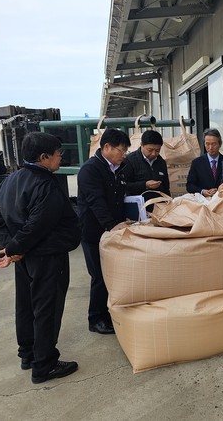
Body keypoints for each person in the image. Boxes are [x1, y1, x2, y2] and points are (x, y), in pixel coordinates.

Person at [0, 132, 81, 384]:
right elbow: (38, 224)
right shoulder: (46, 184)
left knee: (26, 305)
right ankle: (44, 364)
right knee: (47, 308)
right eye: (57, 154)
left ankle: (28, 353)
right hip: (47, 256)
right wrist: (15, 248)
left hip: (26, 257)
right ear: (44, 157)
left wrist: (14, 248)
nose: (60, 158)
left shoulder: (10, 181)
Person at [77, 128, 131, 335]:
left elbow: (118, 198)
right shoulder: (91, 170)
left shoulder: (118, 168)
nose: (123, 154)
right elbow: (96, 202)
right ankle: (95, 318)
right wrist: (112, 225)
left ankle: (107, 313)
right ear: (106, 147)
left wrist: (122, 219)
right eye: (121, 150)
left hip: (112, 231)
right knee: (98, 276)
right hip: (94, 232)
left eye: (125, 151)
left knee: (111, 275)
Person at [122, 129, 170, 202]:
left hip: (159, 206)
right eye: (150, 150)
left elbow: (166, 187)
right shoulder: (129, 160)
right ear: (141, 145)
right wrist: (145, 185)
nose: (154, 153)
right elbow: (124, 185)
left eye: (157, 150)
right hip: (138, 205)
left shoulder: (161, 162)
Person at [186, 128, 223, 197]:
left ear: (220, 144)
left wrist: (219, 191)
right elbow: (189, 186)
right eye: (207, 144)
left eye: (214, 144)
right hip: (203, 201)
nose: (210, 147)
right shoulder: (196, 163)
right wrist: (202, 191)